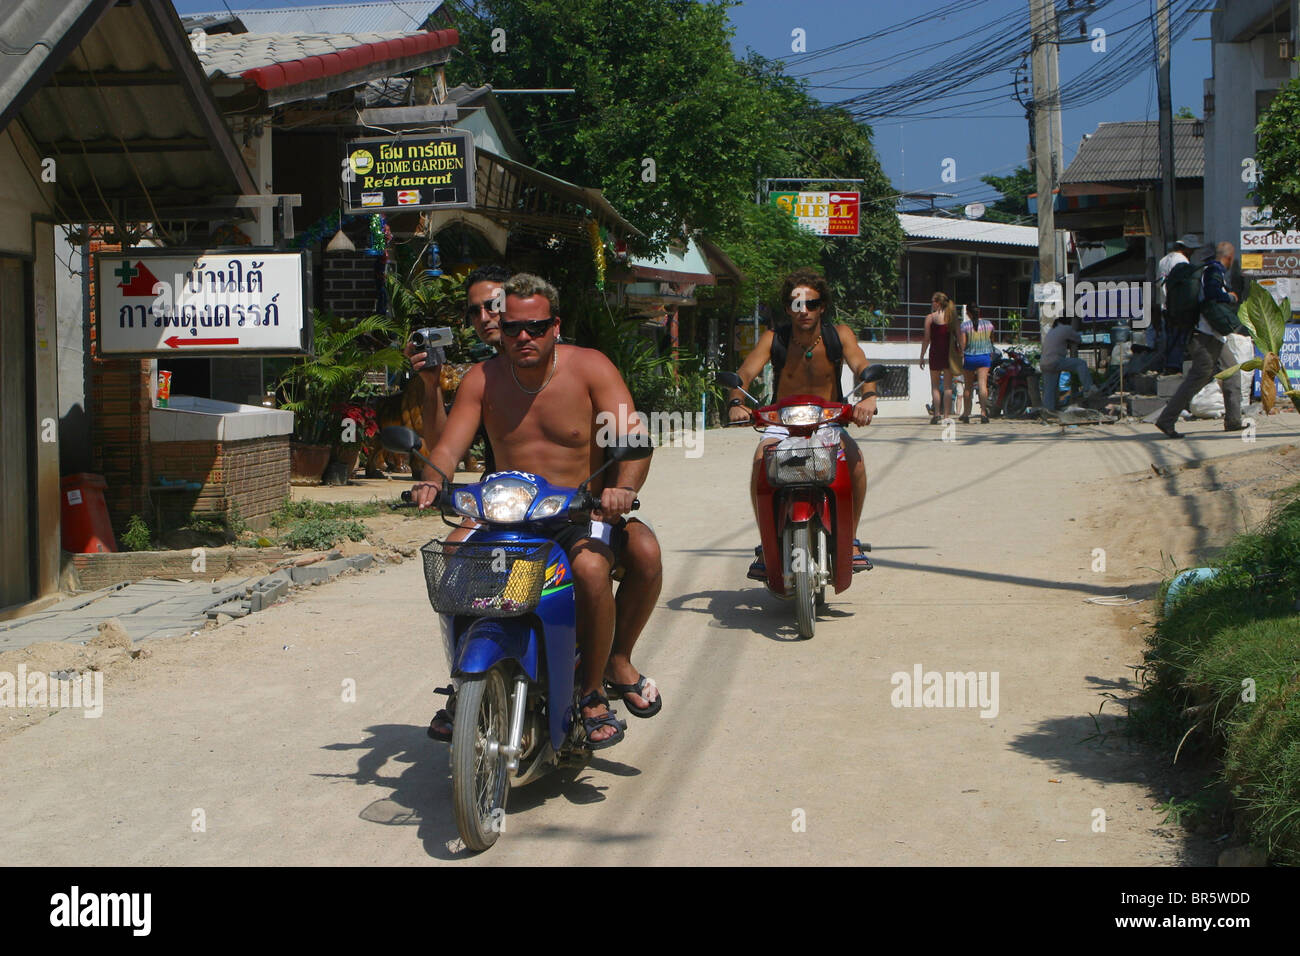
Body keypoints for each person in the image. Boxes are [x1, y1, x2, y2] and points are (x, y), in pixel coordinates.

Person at [411, 273, 663, 748]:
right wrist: (432, 479)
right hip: (507, 514)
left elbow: (634, 438)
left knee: (592, 569)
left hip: (577, 514)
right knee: (452, 554)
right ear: (499, 329)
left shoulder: (591, 368)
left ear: (556, 327)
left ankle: (592, 689)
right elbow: (448, 446)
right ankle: (464, 685)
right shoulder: (481, 379)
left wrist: (621, 490)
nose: (523, 338)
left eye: (536, 327)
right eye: (512, 329)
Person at [726, 269, 878, 581]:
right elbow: (744, 373)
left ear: (822, 306)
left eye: (811, 304)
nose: (804, 311)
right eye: (797, 305)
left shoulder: (840, 335)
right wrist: (735, 402)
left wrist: (869, 397)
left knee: (857, 464)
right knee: (760, 465)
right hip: (782, 423)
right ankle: (767, 545)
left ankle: (848, 540)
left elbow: (861, 365)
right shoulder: (774, 338)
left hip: (827, 420)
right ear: (787, 309)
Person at [1154, 241, 1247, 438]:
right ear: (1229, 258)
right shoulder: (1215, 271)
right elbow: (1213, 293)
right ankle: (1166, 420)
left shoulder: (1205, 271)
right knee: (1198, 377)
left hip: (1211, 335)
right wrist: (1230, 297)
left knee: (1232, 373)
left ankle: (1233, 421)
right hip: (1203, 335)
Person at [1156, 234, 1198, 372]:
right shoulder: (1182, 262)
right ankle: (1174, 366)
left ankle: (1168, 365)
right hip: (1176, 305)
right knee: (1178, 337)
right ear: (1186, 248)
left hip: (1164, 304)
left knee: (1169, 337)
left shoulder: (1164, 260)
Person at [1039, 318, 1096, 413]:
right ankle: (1088, 388)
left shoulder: (1051, 331)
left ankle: (1048, 411)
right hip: (1055, 361)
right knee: (1080, 363)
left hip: (1044, 363)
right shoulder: (1066, 328)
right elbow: (1078, 339)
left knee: (1049, 390)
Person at [919, 292, 957, 424]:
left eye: (932, 301)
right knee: (948, 386)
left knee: (935, 385)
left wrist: (922, 355)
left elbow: (926, 338)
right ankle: (946, 415)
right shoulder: (951, 317)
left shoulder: (929, 318)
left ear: (938, 303)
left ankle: (936, 414)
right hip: (948, 354)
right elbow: (958, 334)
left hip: (935, 352)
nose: (931, 304)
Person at [958, 303, 994, 423]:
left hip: (970, 357)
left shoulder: (964, 326)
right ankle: (983, 413)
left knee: (968, 386)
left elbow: (963, 345)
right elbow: (991, 340)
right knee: (982, 385)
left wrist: (961, 355)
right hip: (984, 357)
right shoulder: (989, 324)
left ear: (967, 313)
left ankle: (966, 413)